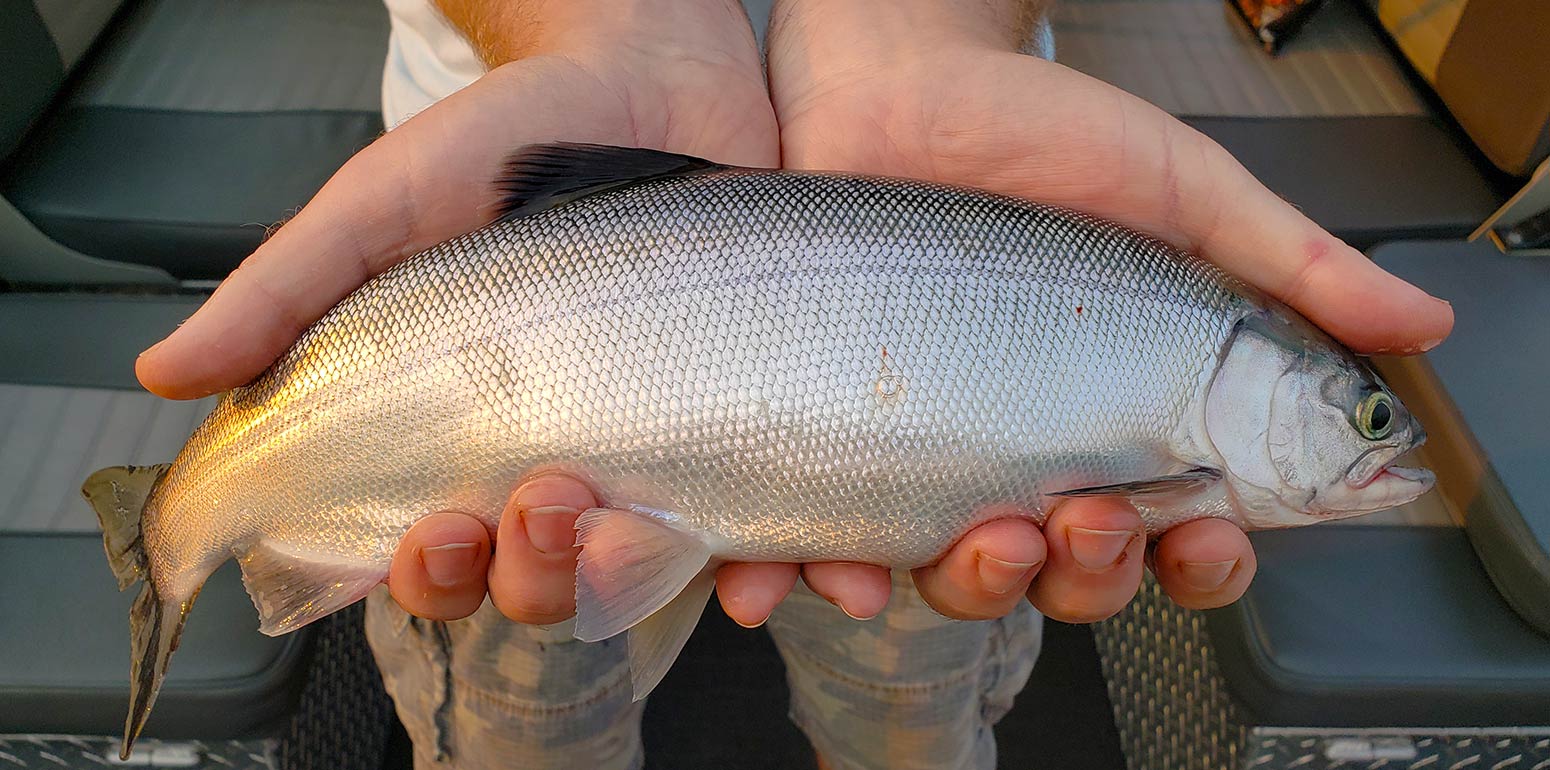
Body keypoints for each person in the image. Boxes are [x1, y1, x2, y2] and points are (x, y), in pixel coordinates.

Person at [133, 0, 1454, 767]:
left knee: (911, 722)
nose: (1382, 445)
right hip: (502, 232)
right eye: (1365, 415)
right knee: (521, 719)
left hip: (958, 162)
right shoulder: (1185, 396)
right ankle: (199, 524)